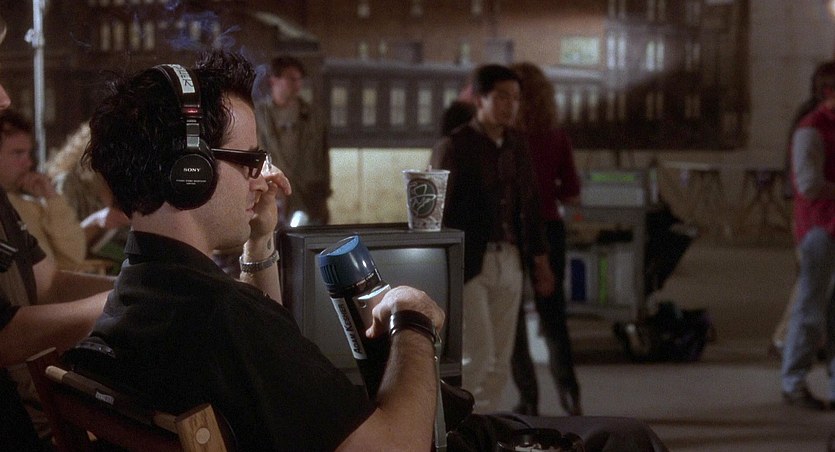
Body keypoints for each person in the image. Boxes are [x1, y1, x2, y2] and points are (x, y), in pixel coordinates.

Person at [68, 50, 667, 452]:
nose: (260, 176)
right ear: (191, 173)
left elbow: (250, 347)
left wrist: (259, 237)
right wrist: (414, 322)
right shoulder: (220, 314)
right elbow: (393, 446)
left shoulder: (142, 293)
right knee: (625, 438)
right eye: (249, 160)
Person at [0, 17, 113, 450]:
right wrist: (128, 300)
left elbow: (48, 282)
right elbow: (4, 335)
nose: (5, 97)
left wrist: (146, 284)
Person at [430, 64, 556, 413]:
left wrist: (540, 262)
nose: (510, 105)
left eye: (515, 98)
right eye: (501, 97)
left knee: (501, 357)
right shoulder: (455, 146)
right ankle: (454, 424)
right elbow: (437, 211)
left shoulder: (517, 145)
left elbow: (530, 205)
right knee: (477, 353)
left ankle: (484, 425)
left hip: (510, 258)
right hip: (471, 261)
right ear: (479, 99)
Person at [509, 61, 583, 417]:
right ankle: (570, 396)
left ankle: (528, 400)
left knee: (512, 318)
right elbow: (572, 193)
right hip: (550, 228)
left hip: (510, 230)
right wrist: (548, 192)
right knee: (553, 316)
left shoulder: (505, 140)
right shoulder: (557, 137)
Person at [780, 60, 835, 410]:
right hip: (819, 229)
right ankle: (793, 382)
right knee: (810, 308)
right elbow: (809, 184)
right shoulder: (811, 129)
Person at [0, 110, 87, 270]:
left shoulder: (31, 207)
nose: (28, 163)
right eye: (18, 153)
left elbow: (74, 257)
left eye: (28, 153)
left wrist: (52, 198)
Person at [255, 55, 331, 227]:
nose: (297, 84)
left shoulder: (313, 116)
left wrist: (323, 193)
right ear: (274, 80)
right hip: (274, 197)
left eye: (299, 79)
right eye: (291, 79)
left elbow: (323, 157)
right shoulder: (259, 116)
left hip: (310, 198)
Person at [46, 122, 130, 270]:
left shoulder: (124, 183)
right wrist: (95, 222)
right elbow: (60, 247)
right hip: (81, 272)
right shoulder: (70, 183)